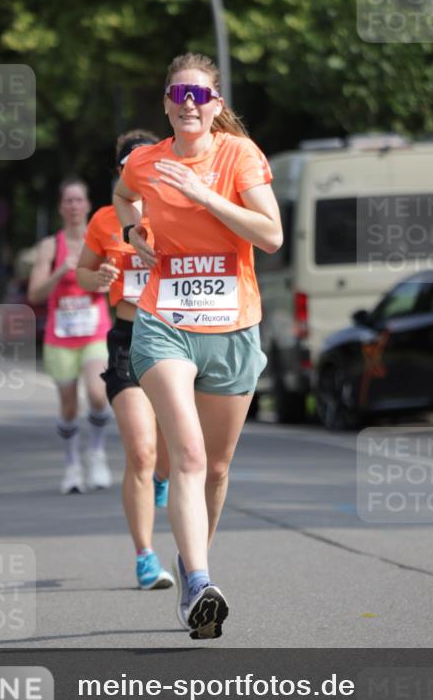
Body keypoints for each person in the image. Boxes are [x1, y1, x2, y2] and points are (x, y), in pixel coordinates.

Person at [113, 54, 283, 639]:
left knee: (214, 467)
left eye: (200, 94)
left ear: (215, 105)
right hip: (165, 323)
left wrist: (206, 196)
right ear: (165, 102)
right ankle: (198, 585)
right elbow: (122, 194)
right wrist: (135, 230)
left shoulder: (240, 155)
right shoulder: (145, 160)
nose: (189, 102)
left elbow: (272, 235)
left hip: (233, 326)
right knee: (184, 454)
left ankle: (193, 565)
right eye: (178, 92)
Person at [76, 129, 174, 591]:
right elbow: (82, 271)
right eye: (127, 168)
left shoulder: (179, 213)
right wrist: (98, 276)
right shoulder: (102, 221)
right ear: (120, 174)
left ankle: (161, 477)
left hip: (176, 338)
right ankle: (145, 556)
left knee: (171, 456)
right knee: (140, 449)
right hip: (128, 337)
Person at [27, 177, 113, 494]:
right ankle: (71, 465)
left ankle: (98, 454)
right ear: (61, 207)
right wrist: (62, 270)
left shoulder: (103, 239)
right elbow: (36, 293)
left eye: (79, 200)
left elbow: (112, 284)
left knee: (97, 394)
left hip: (95, 331)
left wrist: (95, 278)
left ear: (88, 205)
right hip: (60, 336)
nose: (74, 206)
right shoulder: (50, 246)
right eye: (68, 201)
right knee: (68, 408)